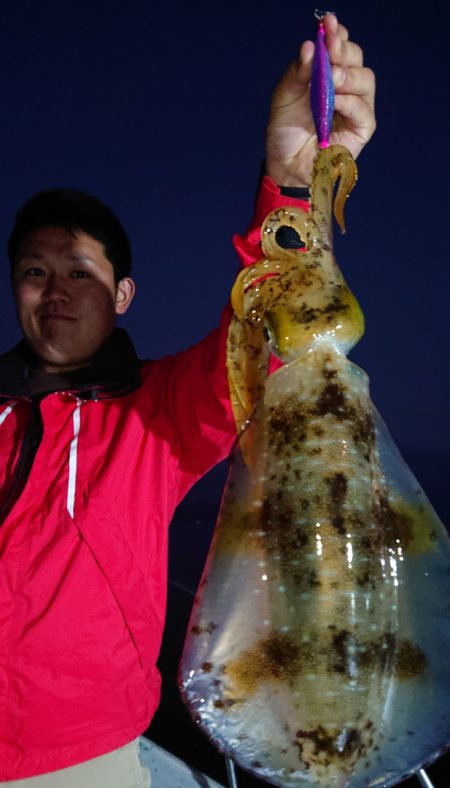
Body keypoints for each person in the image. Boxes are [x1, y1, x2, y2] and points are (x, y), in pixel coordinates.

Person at [0, 14, 375, 787]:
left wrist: (292, 184)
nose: (56, 291)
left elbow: (268, 338)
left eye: (80, 271)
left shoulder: (157, 410)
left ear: (123, 296)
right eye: (36, 272)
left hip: (78, 762)